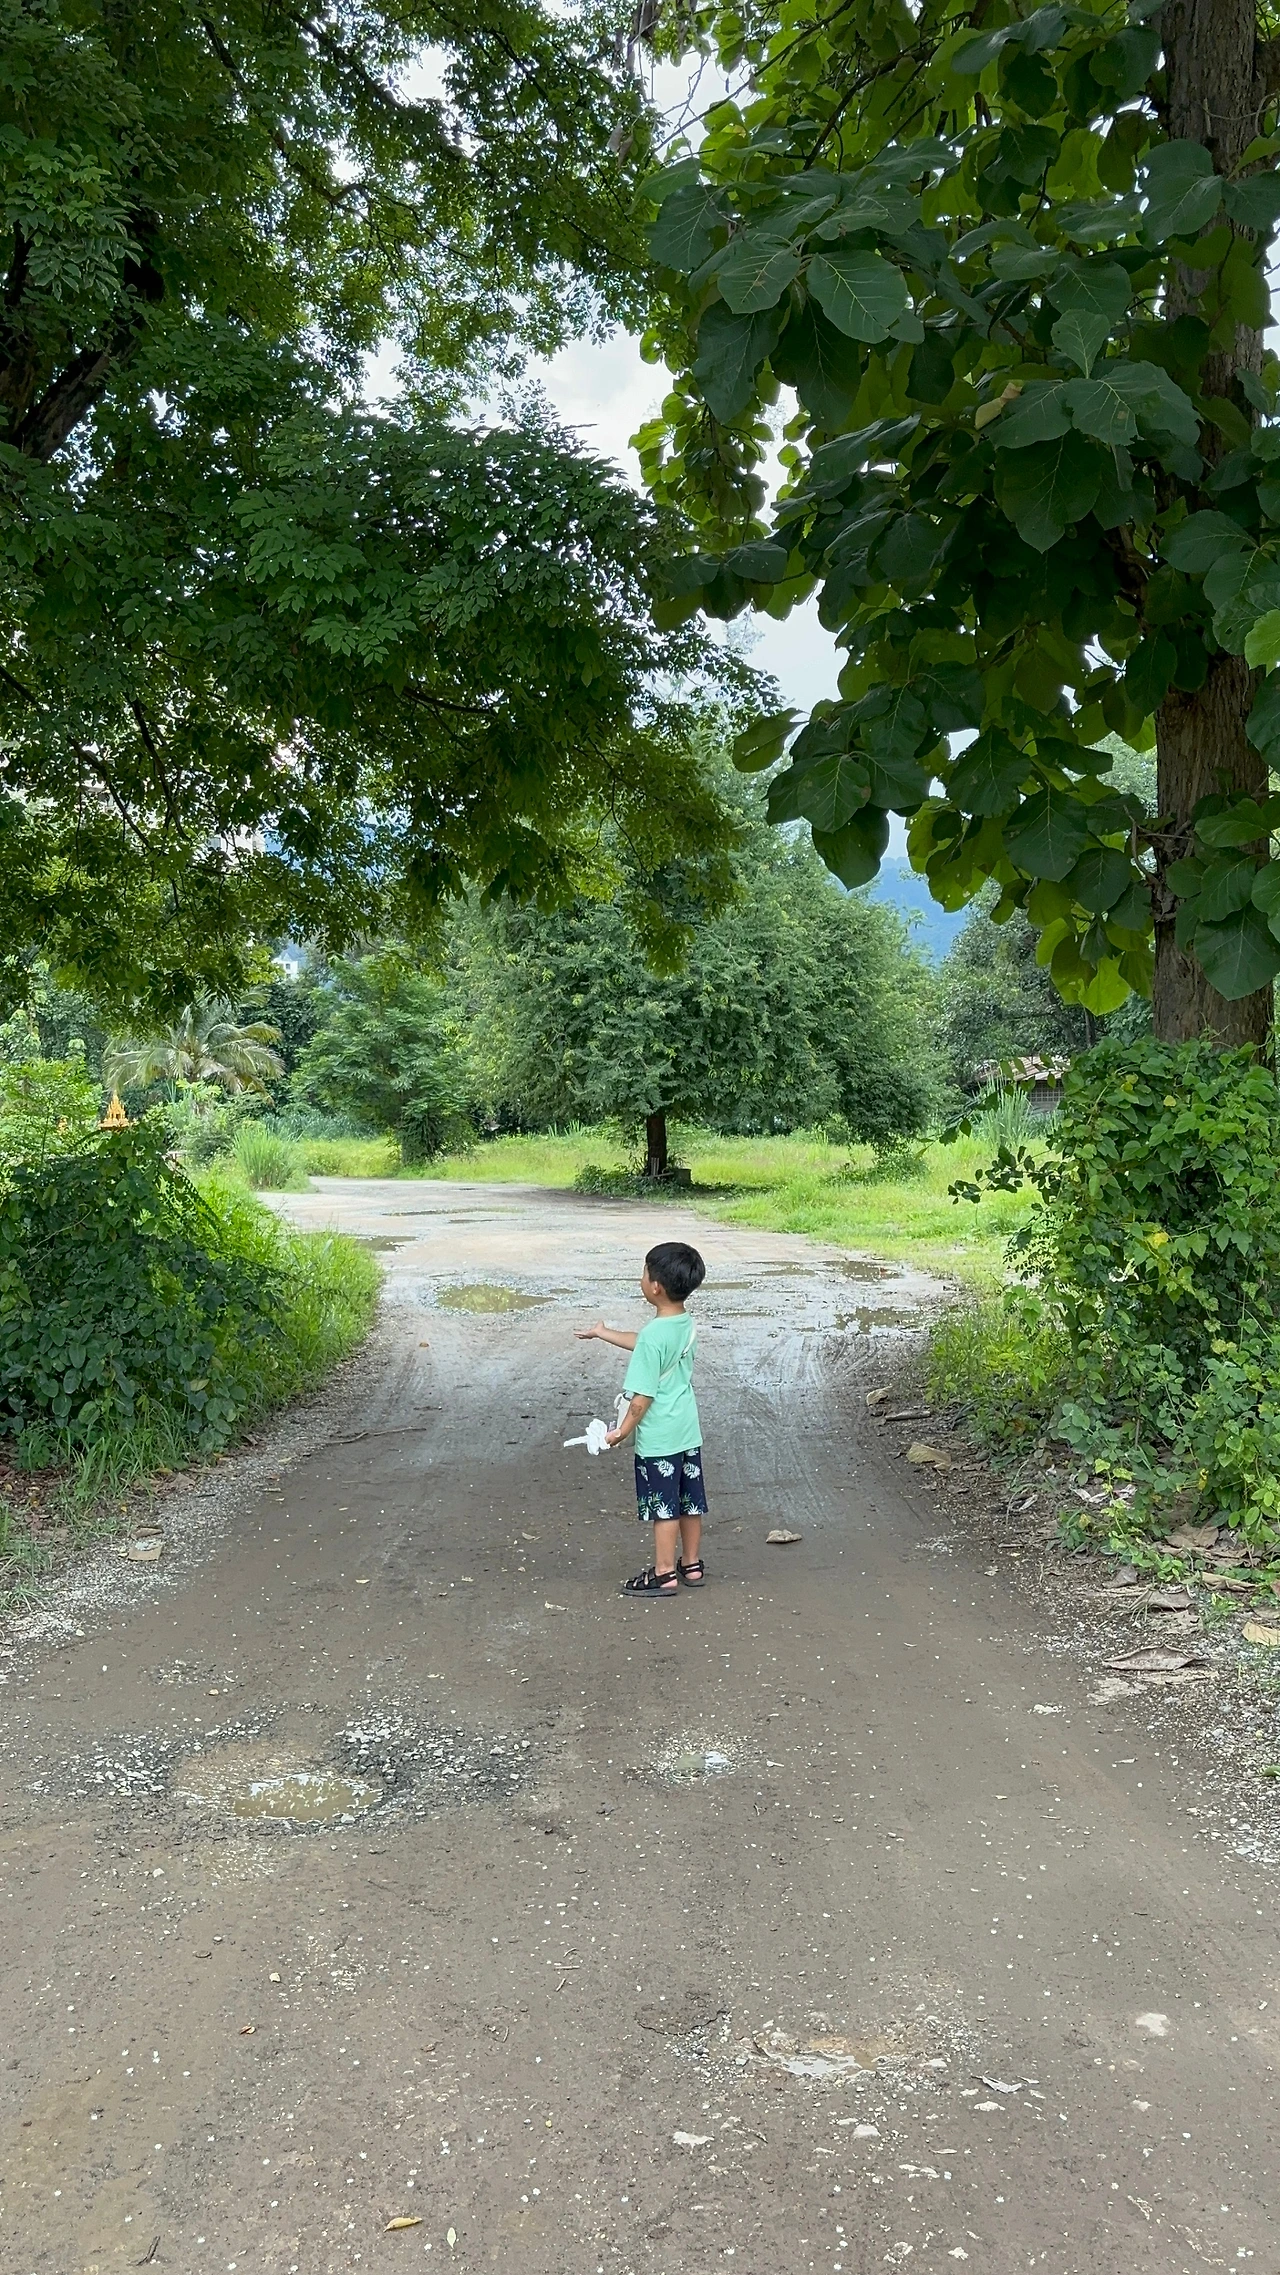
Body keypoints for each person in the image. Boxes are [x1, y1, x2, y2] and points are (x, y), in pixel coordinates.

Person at [576, 1240, 708, 1598]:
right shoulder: (683, 1323)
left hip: (660, 1438)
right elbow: (648, 1345)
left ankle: (664, 1573)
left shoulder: (653, 1336)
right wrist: (603, 1332)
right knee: (689, 1502)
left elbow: (641, 1399)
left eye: (645, 1272)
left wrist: (620, 1432)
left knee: (665, 1508)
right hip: (686, 1430)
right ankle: (691, 1565)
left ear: (655, 1287)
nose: (642, 1278)